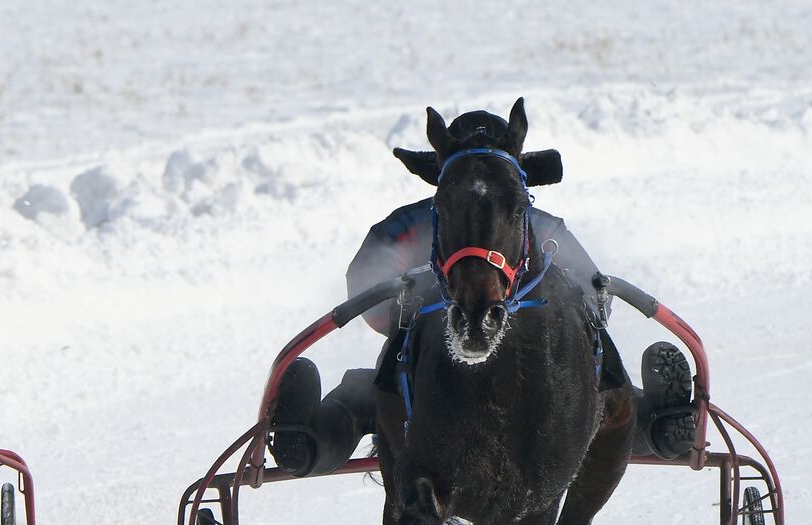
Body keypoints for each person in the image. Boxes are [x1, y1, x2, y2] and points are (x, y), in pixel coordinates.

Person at [268, 108, 696, 477]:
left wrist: (570, 308)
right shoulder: (423, 221)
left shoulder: (531, 224)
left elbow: (588, 285)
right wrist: (410, 304)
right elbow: (367, 275)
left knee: (594, 395)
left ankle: (659, 421)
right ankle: (306, 438)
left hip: (531, 365)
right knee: (373, 394)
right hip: (427, 358)